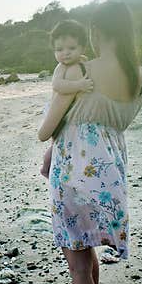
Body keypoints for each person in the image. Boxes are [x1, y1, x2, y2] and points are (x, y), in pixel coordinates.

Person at [37, 0, 142, 284]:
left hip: (73, 171)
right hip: (110, 172)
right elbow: (105, 124)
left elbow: (46, 129)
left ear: (97, 32)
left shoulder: (80, 69)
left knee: (78, 264)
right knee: (90, 250)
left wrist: (50, 147)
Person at [39, 20, 94, 179]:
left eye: (72, 48)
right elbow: (58, 85)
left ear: (82, 48)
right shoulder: (61, 67)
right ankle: (45, 167)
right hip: (55, 110)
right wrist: (79, 85)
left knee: (60, 144)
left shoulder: (81, 62)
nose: (65, 53)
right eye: (59, 50)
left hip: (69, 111)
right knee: (54, 143)